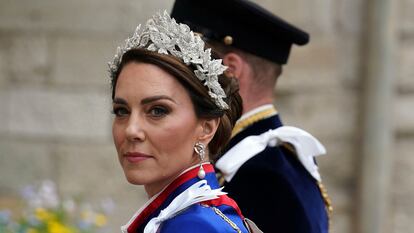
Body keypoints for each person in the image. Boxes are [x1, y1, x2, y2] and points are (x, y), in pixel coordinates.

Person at [171, 0, 332, 233]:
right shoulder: (274, 158)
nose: (171, 80)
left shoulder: (259, 175)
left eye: (185, 67)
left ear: (229, 70)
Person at [108, 11, 263, 233]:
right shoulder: (190, 216)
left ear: (206, 128)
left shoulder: (193, 225)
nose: (132, 130)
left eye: (158, 110)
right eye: (121, 111)